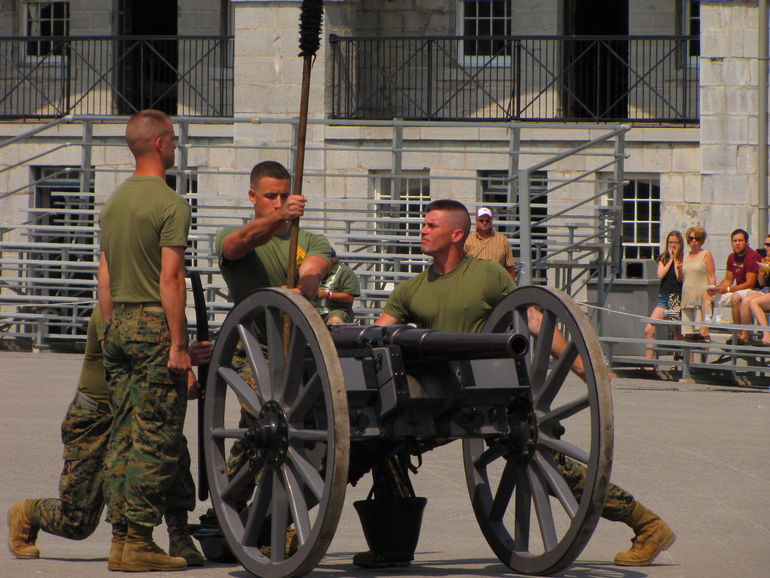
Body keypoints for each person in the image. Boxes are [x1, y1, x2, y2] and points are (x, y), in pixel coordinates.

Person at [354, 199, 675, 569]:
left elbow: (533, 319)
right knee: (380, 443)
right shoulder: (411, 288)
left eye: (430, 225)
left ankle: (647, 525)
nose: (422, 231)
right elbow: (377, 333)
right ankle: (390, 545)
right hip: (430, 395)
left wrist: (584, 368)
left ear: (456, 234)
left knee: (551, 465)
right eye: (423, 225)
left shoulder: (487, 275)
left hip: (483, 391)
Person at [7, 308, 213, 568]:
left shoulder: (165, 310)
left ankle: (180, 536)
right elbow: (132, 362)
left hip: (138, 410)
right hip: (95, 417)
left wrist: (186, 368)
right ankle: (28, 511)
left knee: (169, 452)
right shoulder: (110, 314)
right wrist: (183, 356)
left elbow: (176, 356)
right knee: (77, 522)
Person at [97, 109, 192, 572]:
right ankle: (138, 541)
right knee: (156, 437)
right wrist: (178, 344)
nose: (175, 147)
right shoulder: (170, 203)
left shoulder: (114, 202)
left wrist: (111, 327)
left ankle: (119, 538)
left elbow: (106, 278)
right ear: (158, 144)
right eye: (172, 139)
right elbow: (171, 279)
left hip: (116, 326)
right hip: (155, 325)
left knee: (123, 434)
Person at [215, 160, 331, 535]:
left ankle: (242, 505)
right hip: (252, 349)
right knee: (271, 426)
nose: (278, 201)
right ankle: (248, 510)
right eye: (270, 196)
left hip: (300, 348)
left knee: (271, 433)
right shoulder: (235, 234)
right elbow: (239, 245)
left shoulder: (307, 238)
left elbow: (317, 262)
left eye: (284, 195)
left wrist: (309, 282)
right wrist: (280, 216)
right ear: (253, 196)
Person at [699, 228, 761, 342]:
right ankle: (705, 330)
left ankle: (738, 333)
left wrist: (728, 289)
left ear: (747, 242)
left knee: (735, 296)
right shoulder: (732, 257)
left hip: (752, 291)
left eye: (740, 241)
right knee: (707, 295)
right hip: (737, 289)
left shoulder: (752, 256)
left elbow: (750, 283)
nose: (737, 243)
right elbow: (728, 279)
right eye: (734, 241)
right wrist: (718, 288)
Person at [643, 231, 683, 367]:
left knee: (677, 331)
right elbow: (660, 274)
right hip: (664, 296)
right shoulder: (663, 257)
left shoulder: (683, 258)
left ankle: (678, 362)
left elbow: (679, 277)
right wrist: (671, 259)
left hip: (675, 296)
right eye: (670, 242)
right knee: (649, 328)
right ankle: (649, 362)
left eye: (675, 243)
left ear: (680, 244)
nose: (673, 245)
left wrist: (676, 260)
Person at [680, 227, 716, 341]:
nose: (694, 241)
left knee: (703, 334)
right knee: (687, 335)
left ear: (702, 240)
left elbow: (711, 275)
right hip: (687, 296)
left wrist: (712, 292)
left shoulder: (706, 254)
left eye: (697, 238)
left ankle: (703, 357)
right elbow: (682, 276)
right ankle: (688, 359)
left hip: (701, 297)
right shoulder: (684, 256)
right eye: (691, 238)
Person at [464, 206, 516, 279]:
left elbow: (510, 267)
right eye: (481, 220)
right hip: (474, 281)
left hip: (496, 282)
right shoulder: (467, 240)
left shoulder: (502, 240)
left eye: (487, 220)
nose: (484, 223)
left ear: (491, 221)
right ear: (476, 221)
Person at [737, 234, 770, 345]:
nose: (766, 247)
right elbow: (762, 283)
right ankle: (745, 335)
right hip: (767, 290)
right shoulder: (766, 259)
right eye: (765, 244)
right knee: (746, 301)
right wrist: (761, 271)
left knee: (754, 302)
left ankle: (767, 336)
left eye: (768, 245)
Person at [315, 248, 361, 324]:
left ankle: (334, 335)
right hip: (315, 310)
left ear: (333, 260)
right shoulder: (314, 270)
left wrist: (328, 295)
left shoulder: (345, 272)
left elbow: (349, 297)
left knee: (335, 321)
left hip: (337, 310)